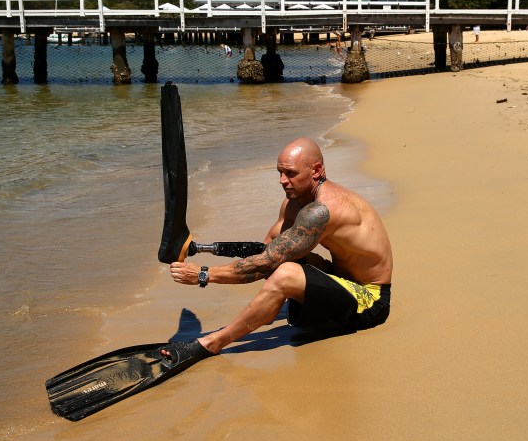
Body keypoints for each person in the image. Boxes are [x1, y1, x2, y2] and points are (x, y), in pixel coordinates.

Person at [159, 137, 394, 367]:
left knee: (284, 272)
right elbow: (268, 249)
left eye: (291, 173)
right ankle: (268, 308)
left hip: (369, 300)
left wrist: (204, 275)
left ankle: (214, 342)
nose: (283, 180)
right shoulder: (294, 202)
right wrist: (199, 249)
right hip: (340, 279)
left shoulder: (323, 210)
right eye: (280, 172)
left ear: (317, 170)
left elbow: (265, 264)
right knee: (281, 256)